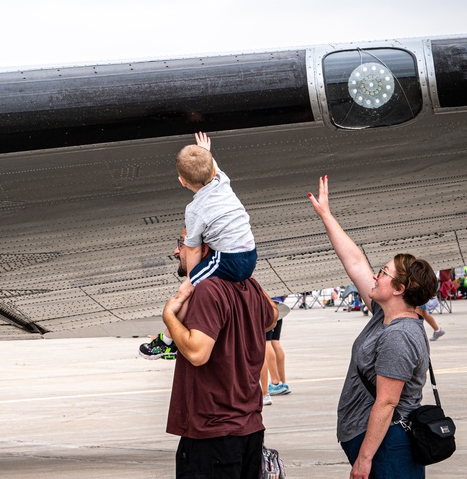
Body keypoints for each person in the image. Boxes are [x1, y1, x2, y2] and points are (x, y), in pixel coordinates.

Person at [308, 175, 437, 479]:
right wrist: (326, 215)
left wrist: (364, 459)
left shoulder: (399, 337)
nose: (376, 276)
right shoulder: (385, 315)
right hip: (375, 440)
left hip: (386, 446)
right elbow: (354, 261)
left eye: (383, 272)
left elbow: (387, 402)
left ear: (399, 289)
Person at [164, 231, 278, 478]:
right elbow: (272, 317)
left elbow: (197, 353)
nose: (176, 251)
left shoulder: (209, 290)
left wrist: (169, 317)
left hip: (213, 433)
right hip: (249, 429)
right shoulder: (249, 285)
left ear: (203, 249)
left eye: (182, 244)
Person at [140, 132, 257, 359]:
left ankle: (167, 341)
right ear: (213, 171)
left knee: (186, 291)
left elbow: (192, 248)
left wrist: (191, 280)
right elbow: (211, 167)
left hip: (229, 260)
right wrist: (206, 152)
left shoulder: (194, 210)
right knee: (193, 286)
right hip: (250, 254)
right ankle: (170, 339)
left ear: (182, 181)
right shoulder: (222, 182)